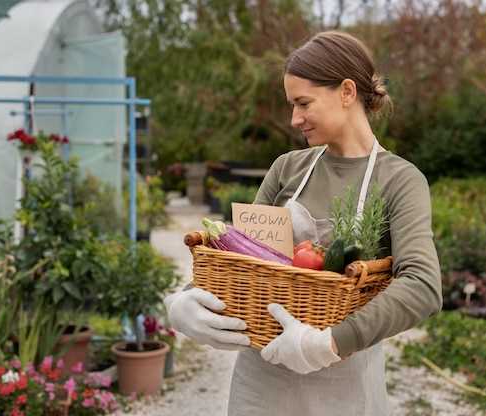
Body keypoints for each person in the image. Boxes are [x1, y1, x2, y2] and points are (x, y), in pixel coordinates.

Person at [164, 30, 442, 415]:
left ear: (346, 92)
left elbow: (423, 285)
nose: (294, 119)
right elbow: (241, 257)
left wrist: (327, 343)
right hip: (262, 382)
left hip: (342, 384)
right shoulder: (287, 169)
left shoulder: (399, 180)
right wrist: (182, 300)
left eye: (303, 103)